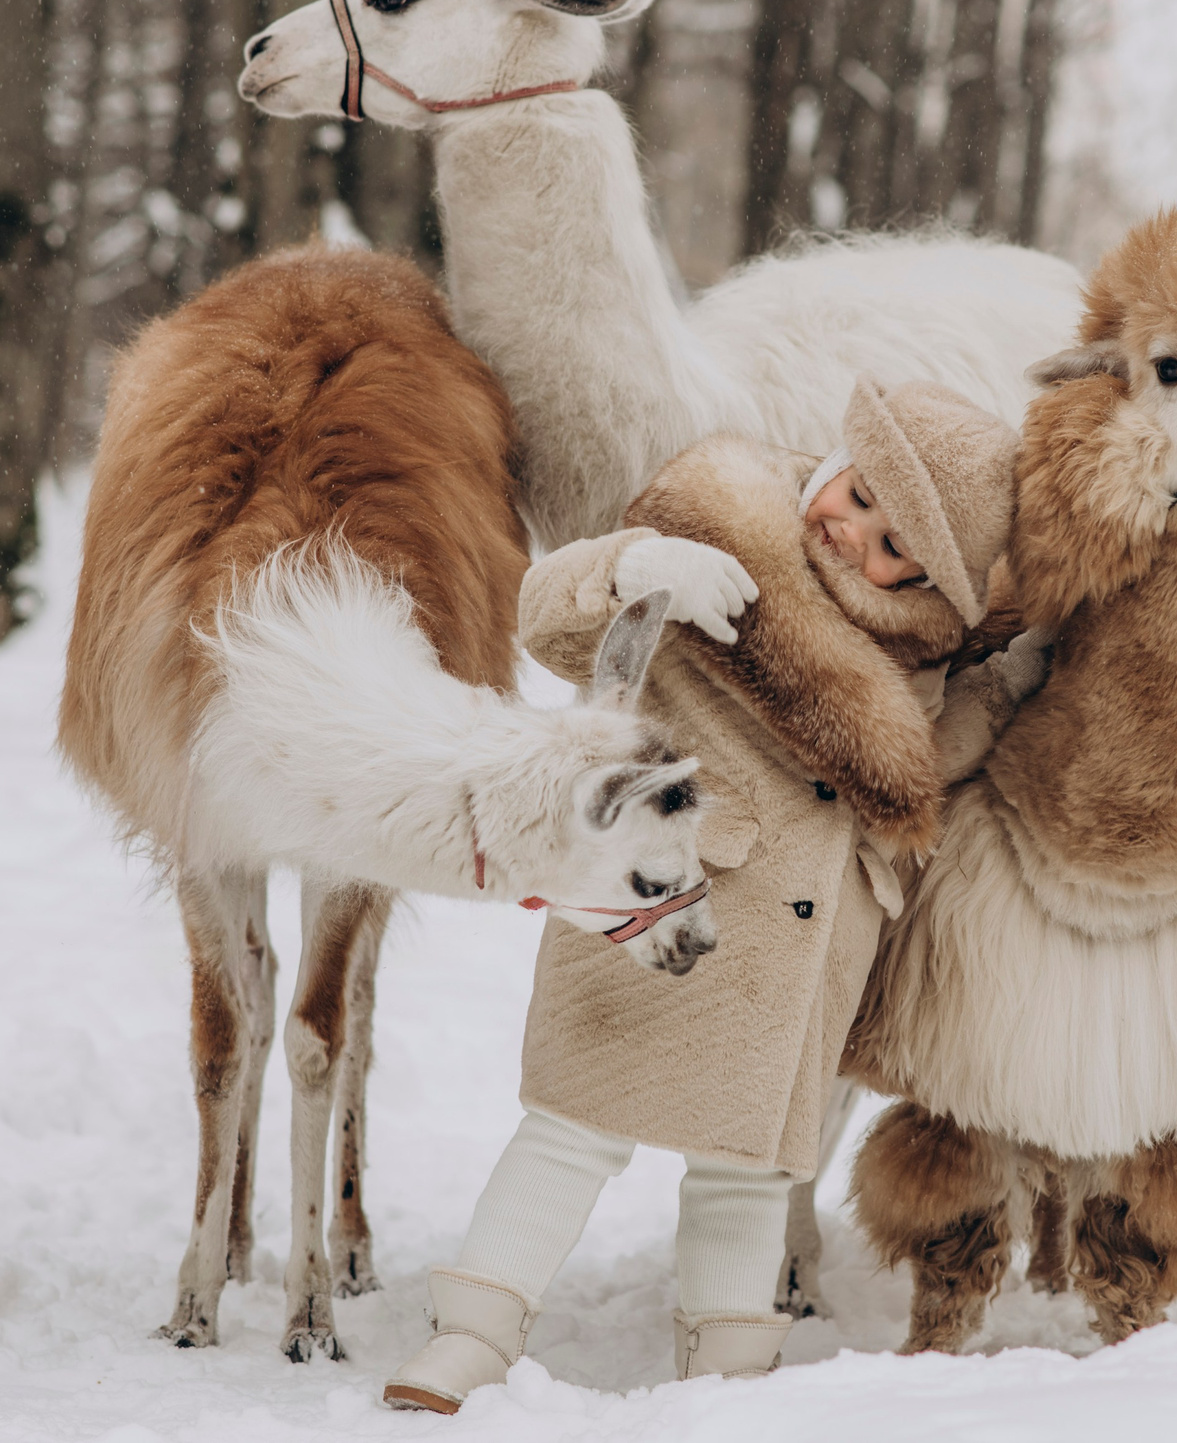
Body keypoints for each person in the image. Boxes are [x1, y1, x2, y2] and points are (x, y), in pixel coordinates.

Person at [382, 378, 1019, 1411]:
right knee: (569, 1130)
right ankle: (474, 1331)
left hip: (802, 951)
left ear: (932, 583)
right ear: (836, 457)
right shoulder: (722, 536)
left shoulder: (917, 653)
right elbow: (545, 618)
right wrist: (633, 569)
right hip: (666, 899)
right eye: (858, 496)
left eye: (894, 544)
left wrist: (999, 695)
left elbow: (918, 762)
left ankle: (728, 1370)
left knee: (749, 1170)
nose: (853, 536)